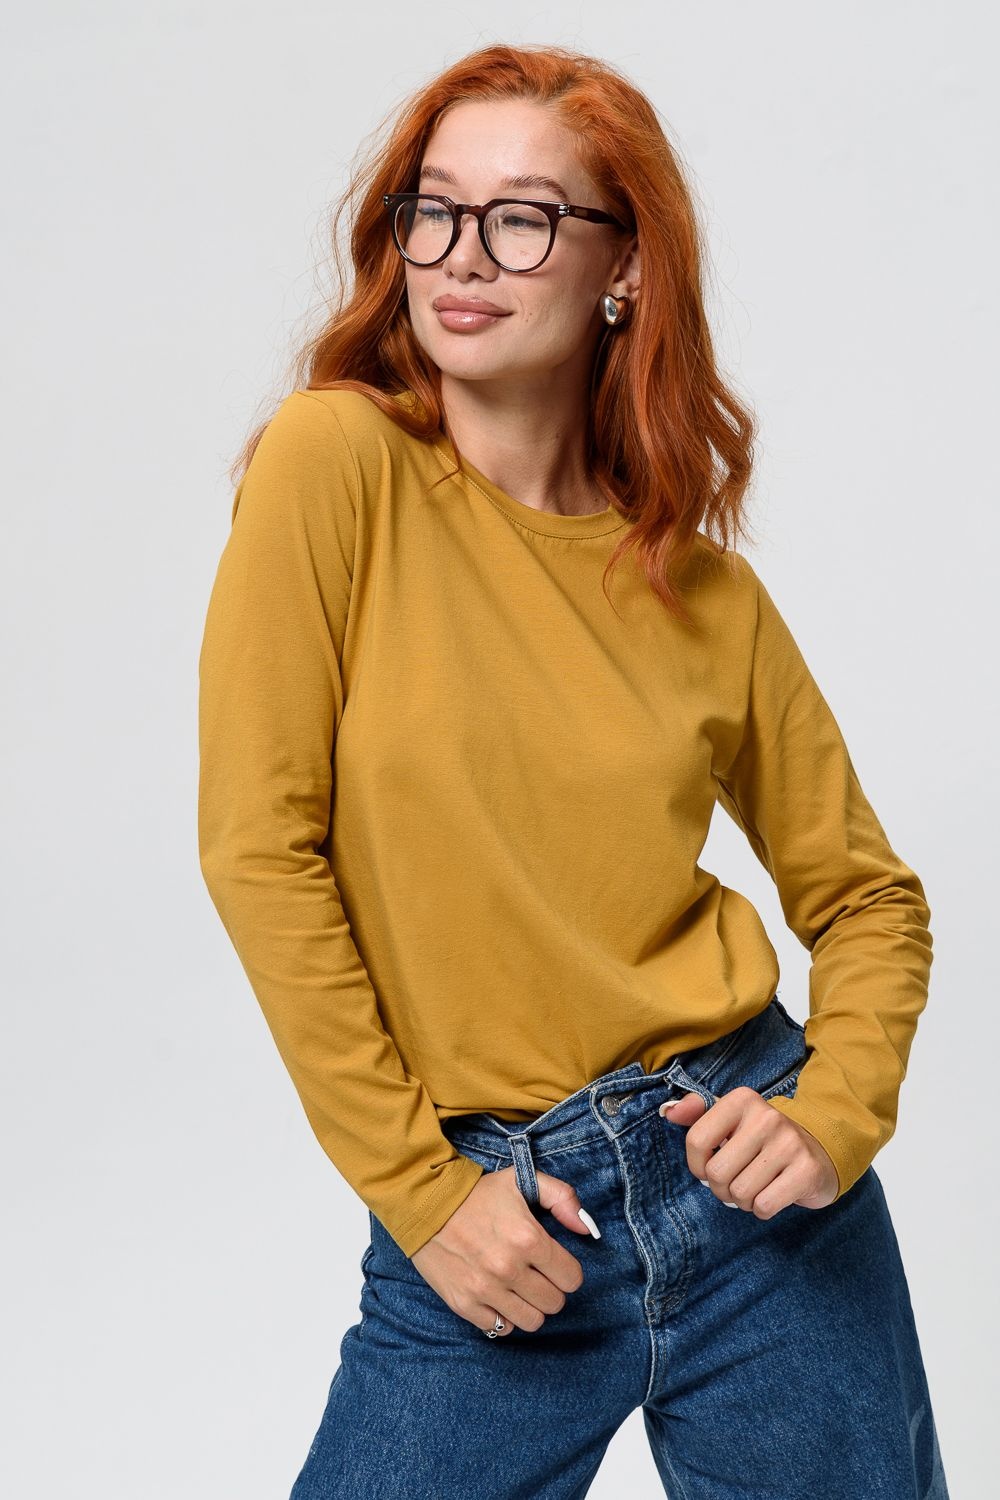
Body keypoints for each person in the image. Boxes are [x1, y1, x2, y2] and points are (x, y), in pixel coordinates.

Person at [197, 42, 949, 1500]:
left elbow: (868, 898)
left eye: (525, 217)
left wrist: (831, 1114)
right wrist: (423, 1196)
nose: (464, 254)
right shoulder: (335, 464)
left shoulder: (702, 594)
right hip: (500, 1223)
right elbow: (258, 849)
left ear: (626, 268)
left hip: (757, 1208)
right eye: (436, 208)